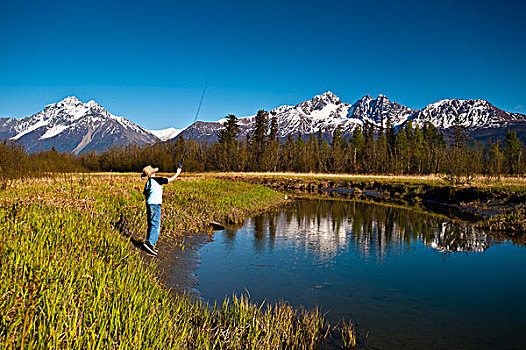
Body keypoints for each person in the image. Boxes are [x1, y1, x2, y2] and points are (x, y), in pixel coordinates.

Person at [141, 165, 182, 255]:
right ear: (153, 172)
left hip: (149, 204)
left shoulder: (148, 182)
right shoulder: (158, 180)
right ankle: (150, 244)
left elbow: (145, 192)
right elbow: (169, 180)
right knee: (156, 225)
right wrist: (178, 173)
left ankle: (149, 242)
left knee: (151, 224)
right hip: (155, 205)